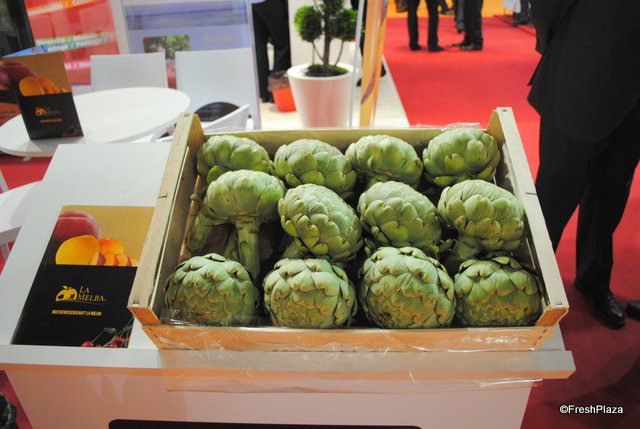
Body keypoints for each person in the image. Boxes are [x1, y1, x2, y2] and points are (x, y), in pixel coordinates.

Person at [528, 0, 640, 329]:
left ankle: (593, 280)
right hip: (582, 69)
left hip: (635, 96)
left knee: (613, 189)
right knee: (555, 191)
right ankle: (527, 282)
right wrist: (558, 47)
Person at [251, 0, 291, 102]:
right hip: (271, 2)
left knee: (259, 47)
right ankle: (276, 92)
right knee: (282, 45)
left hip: (252, 3)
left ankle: (263, 93)